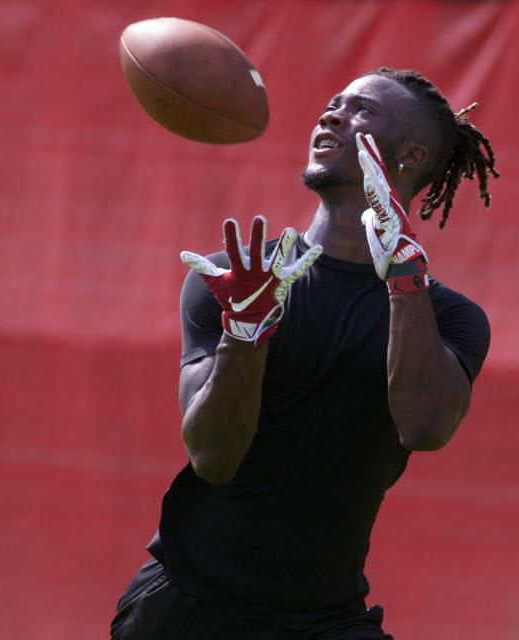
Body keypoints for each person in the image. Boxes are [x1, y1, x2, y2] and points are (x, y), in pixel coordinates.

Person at [111, 67, 498, 640]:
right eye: (332, 102)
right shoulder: (235, 280)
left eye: (361, 109)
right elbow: (212, 456)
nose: (332, 113)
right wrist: (244, 329)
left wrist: (404, 276)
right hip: (189, 604)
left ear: (411, 154)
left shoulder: (451, 316)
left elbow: (424, 425)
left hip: (324, 619)